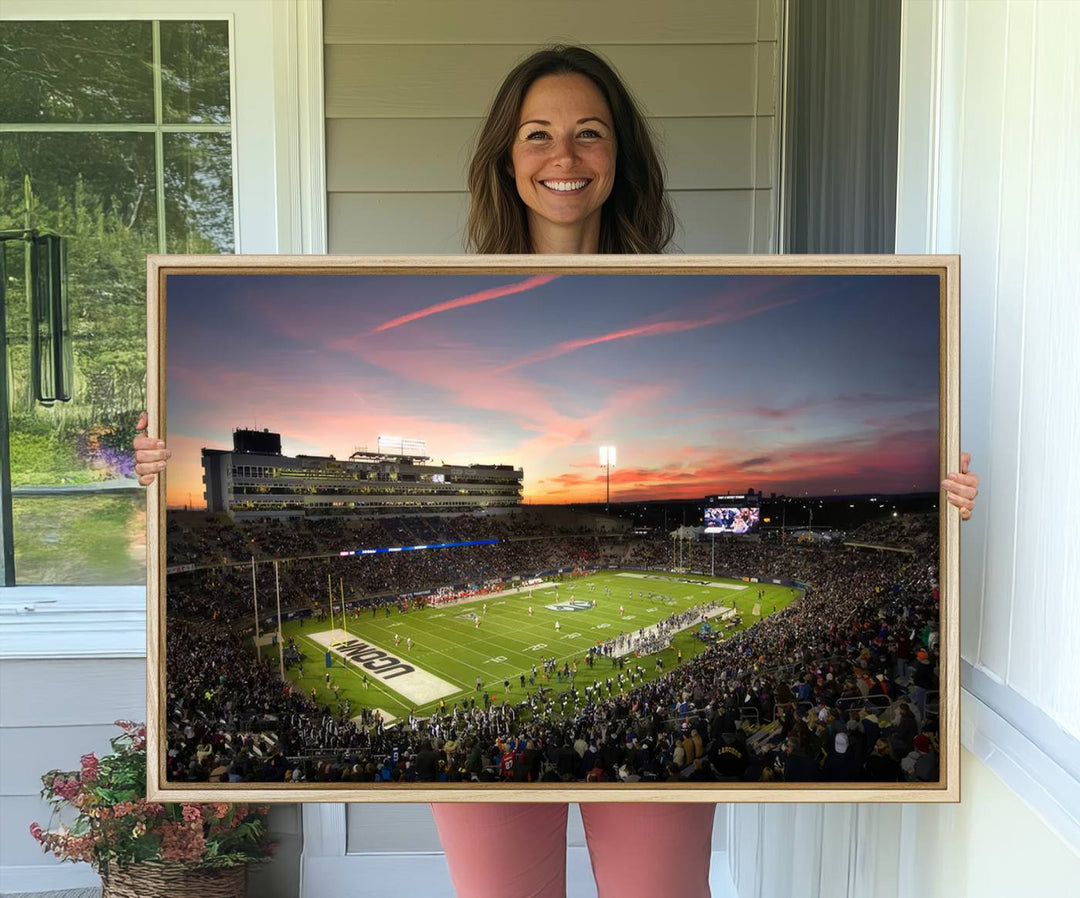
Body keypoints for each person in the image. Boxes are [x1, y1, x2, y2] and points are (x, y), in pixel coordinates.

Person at [134, 43, 980, 898]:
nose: (563, 157)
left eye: (589, 133)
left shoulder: (679, 298)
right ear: (506, 158)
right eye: (537, 134)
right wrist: (154, 465)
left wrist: (942, 505)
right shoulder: (441, 297)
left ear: (621, 158)